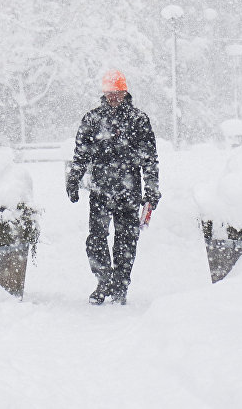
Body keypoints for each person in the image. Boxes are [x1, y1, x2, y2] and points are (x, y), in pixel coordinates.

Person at [66, 69, 160, 305]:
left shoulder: (138, 120)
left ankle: (120, 286)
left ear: (125, 92)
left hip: (129, 192)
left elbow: (149, 158)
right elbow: (81, 154)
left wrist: (151, 188)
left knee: (126, 240)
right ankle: (103, 281)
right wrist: (73, 179)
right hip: (100, 191)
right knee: (96, 239)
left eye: (117, 93)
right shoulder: (93, 119)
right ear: (104, 94)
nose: (114, 98)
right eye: (110, 93)